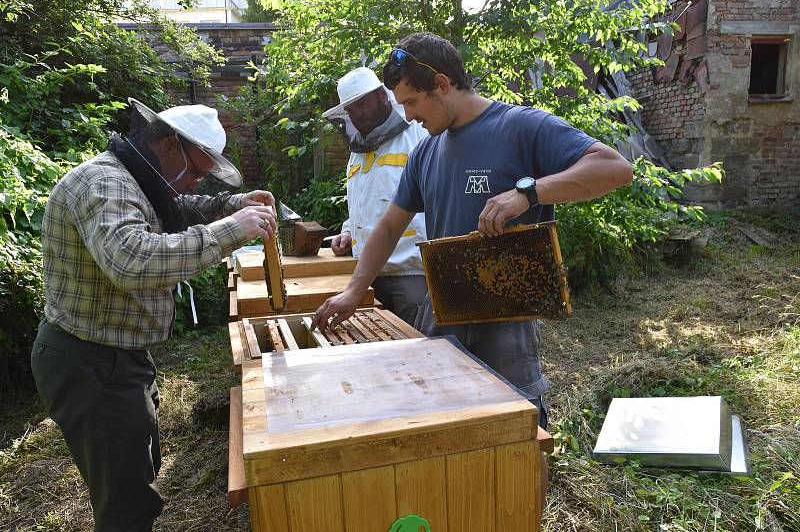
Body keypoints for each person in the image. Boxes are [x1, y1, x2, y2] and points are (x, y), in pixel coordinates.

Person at [312, 32, 632, 508]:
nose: (410, 115)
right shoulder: (426, 151)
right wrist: (355, 287)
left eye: (414, 101)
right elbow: (388, 226)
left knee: (523, 431)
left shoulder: (522, 126)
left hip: (507, 322)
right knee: (444, 434)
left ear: (443, 83)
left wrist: (530, 191)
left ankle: (523, 515)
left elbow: (615, 168)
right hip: (445, 316)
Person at [30, 98, 277, 531]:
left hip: (114, 356)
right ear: (167, 144)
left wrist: (234, 203)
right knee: (126, 505)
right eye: (197, 170)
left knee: (138, 468)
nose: (196, 180)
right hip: (88, 361)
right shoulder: (102, 183)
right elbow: (133, 260)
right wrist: (234, 229)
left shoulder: (135, 181)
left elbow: (179, 208)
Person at [322, 66, 429, 325]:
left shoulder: (419, 135)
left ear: (383, 95)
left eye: (361, 105)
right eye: (349, 110)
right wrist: (348, 231)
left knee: (413, 348)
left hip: (409, 271)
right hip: (365, 274)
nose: (356, 115)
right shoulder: (357, 150)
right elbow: (362, 201)